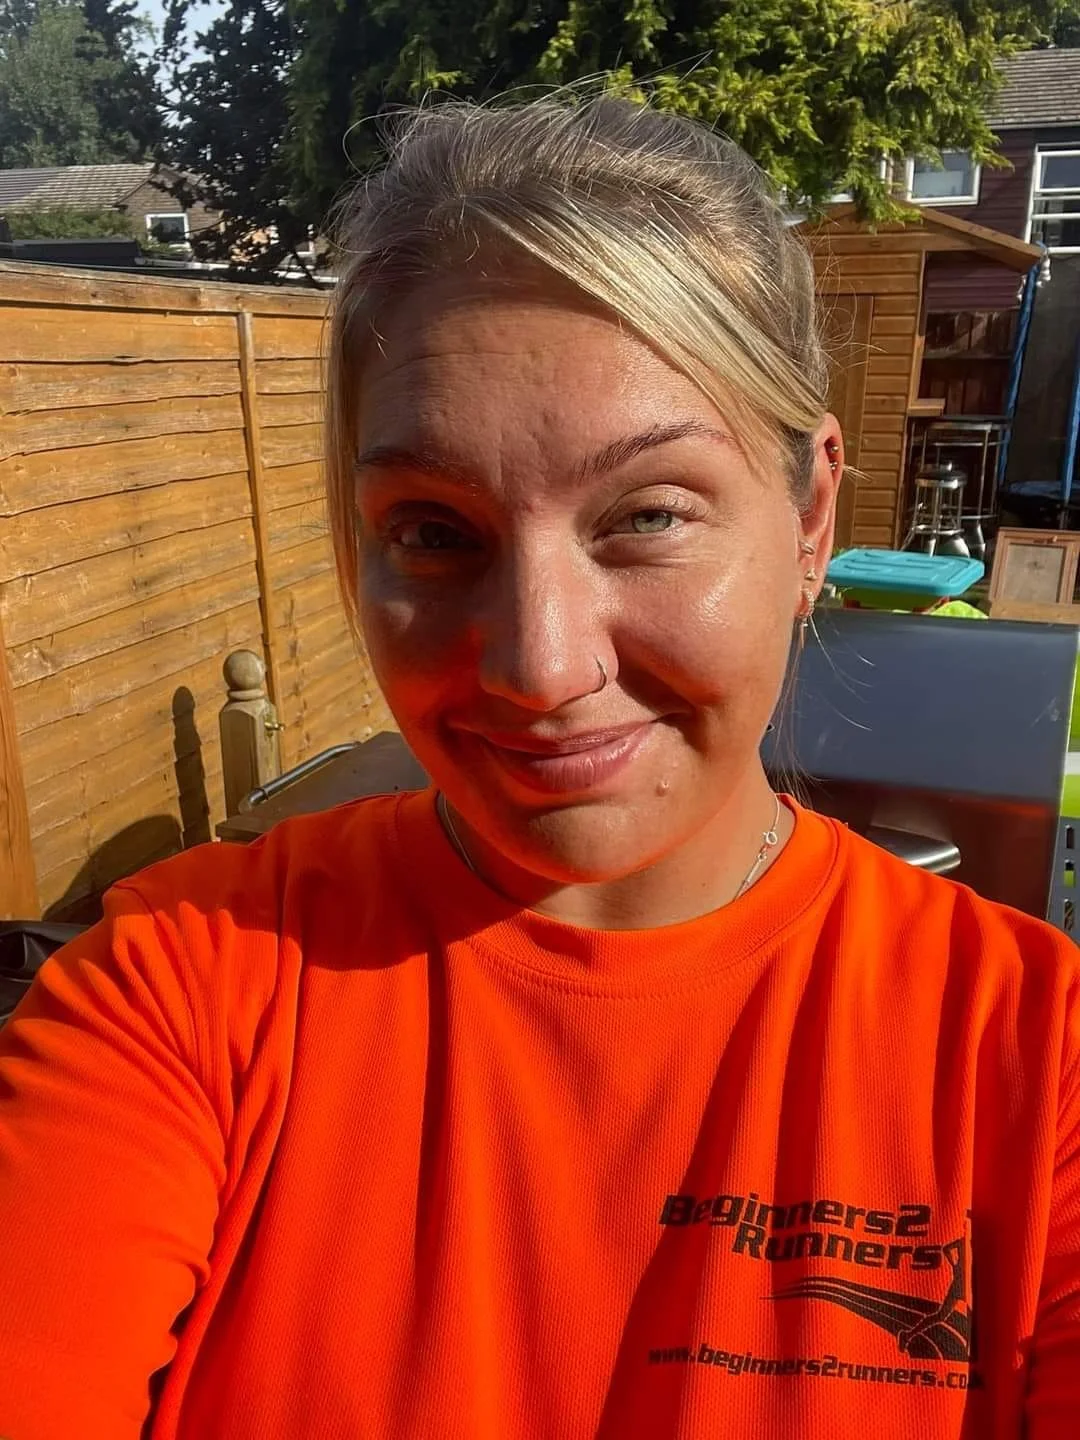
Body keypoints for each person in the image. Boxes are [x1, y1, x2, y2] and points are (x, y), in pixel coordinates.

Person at [0, 94, 1077, 1440]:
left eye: (647, 514)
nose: (538, 664)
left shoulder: (1033, 1066)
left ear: (810, 520)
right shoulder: (178, 993)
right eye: (435, 532)